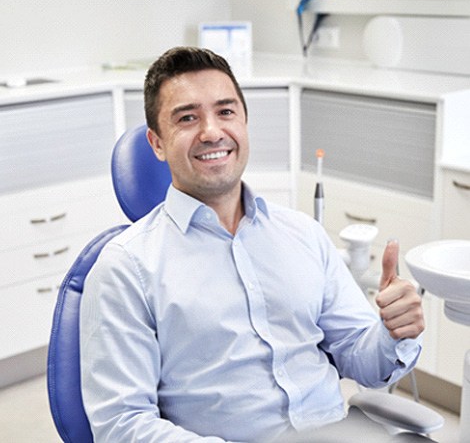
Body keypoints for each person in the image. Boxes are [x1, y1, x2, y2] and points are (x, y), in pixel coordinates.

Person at [80, 46, 425, 443]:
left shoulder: (303, 234)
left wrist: (392, 334)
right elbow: (121, 425)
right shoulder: (126, 267)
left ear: (244, 123)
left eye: (226, 112)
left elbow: (358, 355)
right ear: (157, 143)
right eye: (187, 118)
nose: (212, 131)